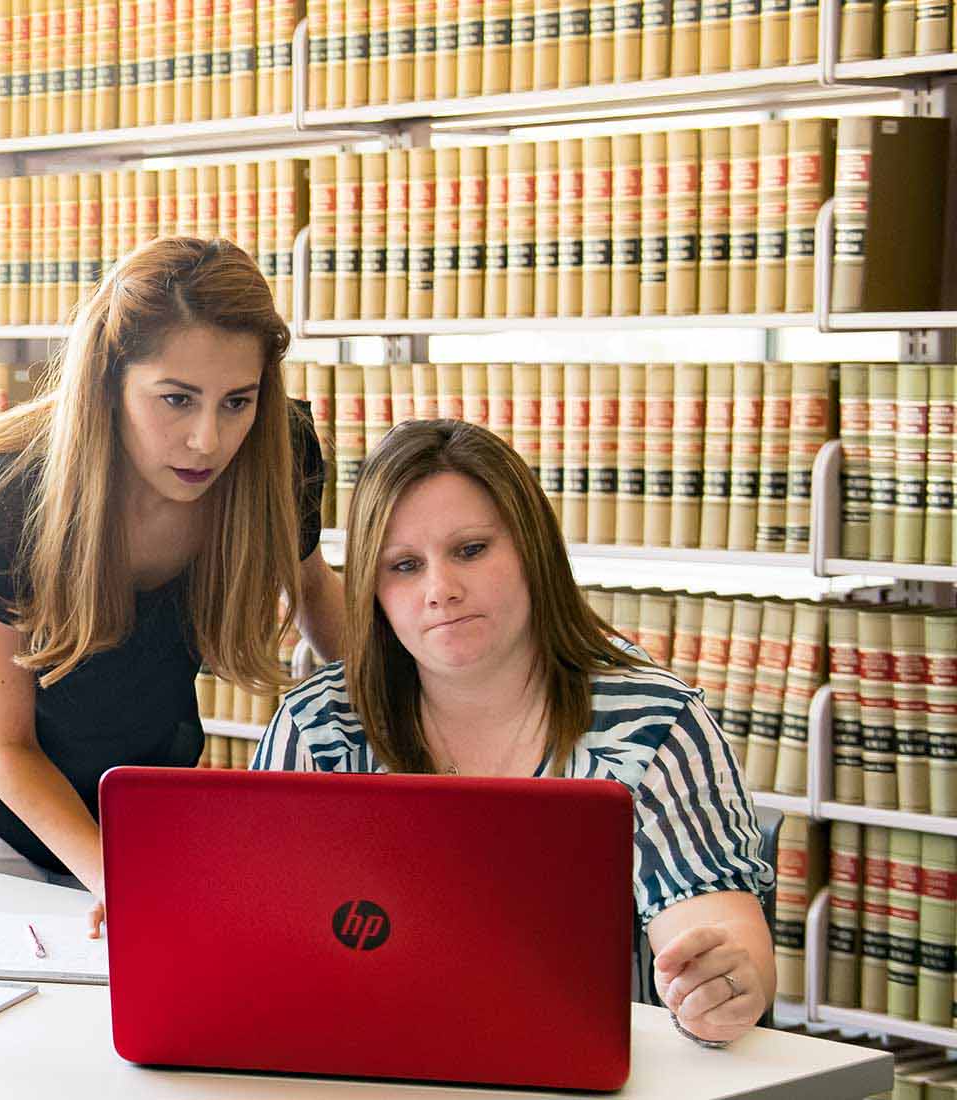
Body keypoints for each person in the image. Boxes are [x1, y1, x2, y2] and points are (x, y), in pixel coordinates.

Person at [252, 418, 775, 1046]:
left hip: (568, 1070)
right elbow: (262, 925)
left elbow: (710, 916)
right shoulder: (318, 725)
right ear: (372, 589)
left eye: (471, 549)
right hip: (358, 1058)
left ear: (532, 550)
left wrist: (722, 983)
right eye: (405, 565)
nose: (440, 590)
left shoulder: (653, 722)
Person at [0, 237, 344, 928]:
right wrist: (112, 878)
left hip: (128, 751)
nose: (208, 441)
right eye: (177, 399)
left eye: (236, 402)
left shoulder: (277, 453)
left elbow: (321, 607)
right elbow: (6, 749)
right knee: (24, 962)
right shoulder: (8, 498)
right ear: (109, 383)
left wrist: (423, 700)